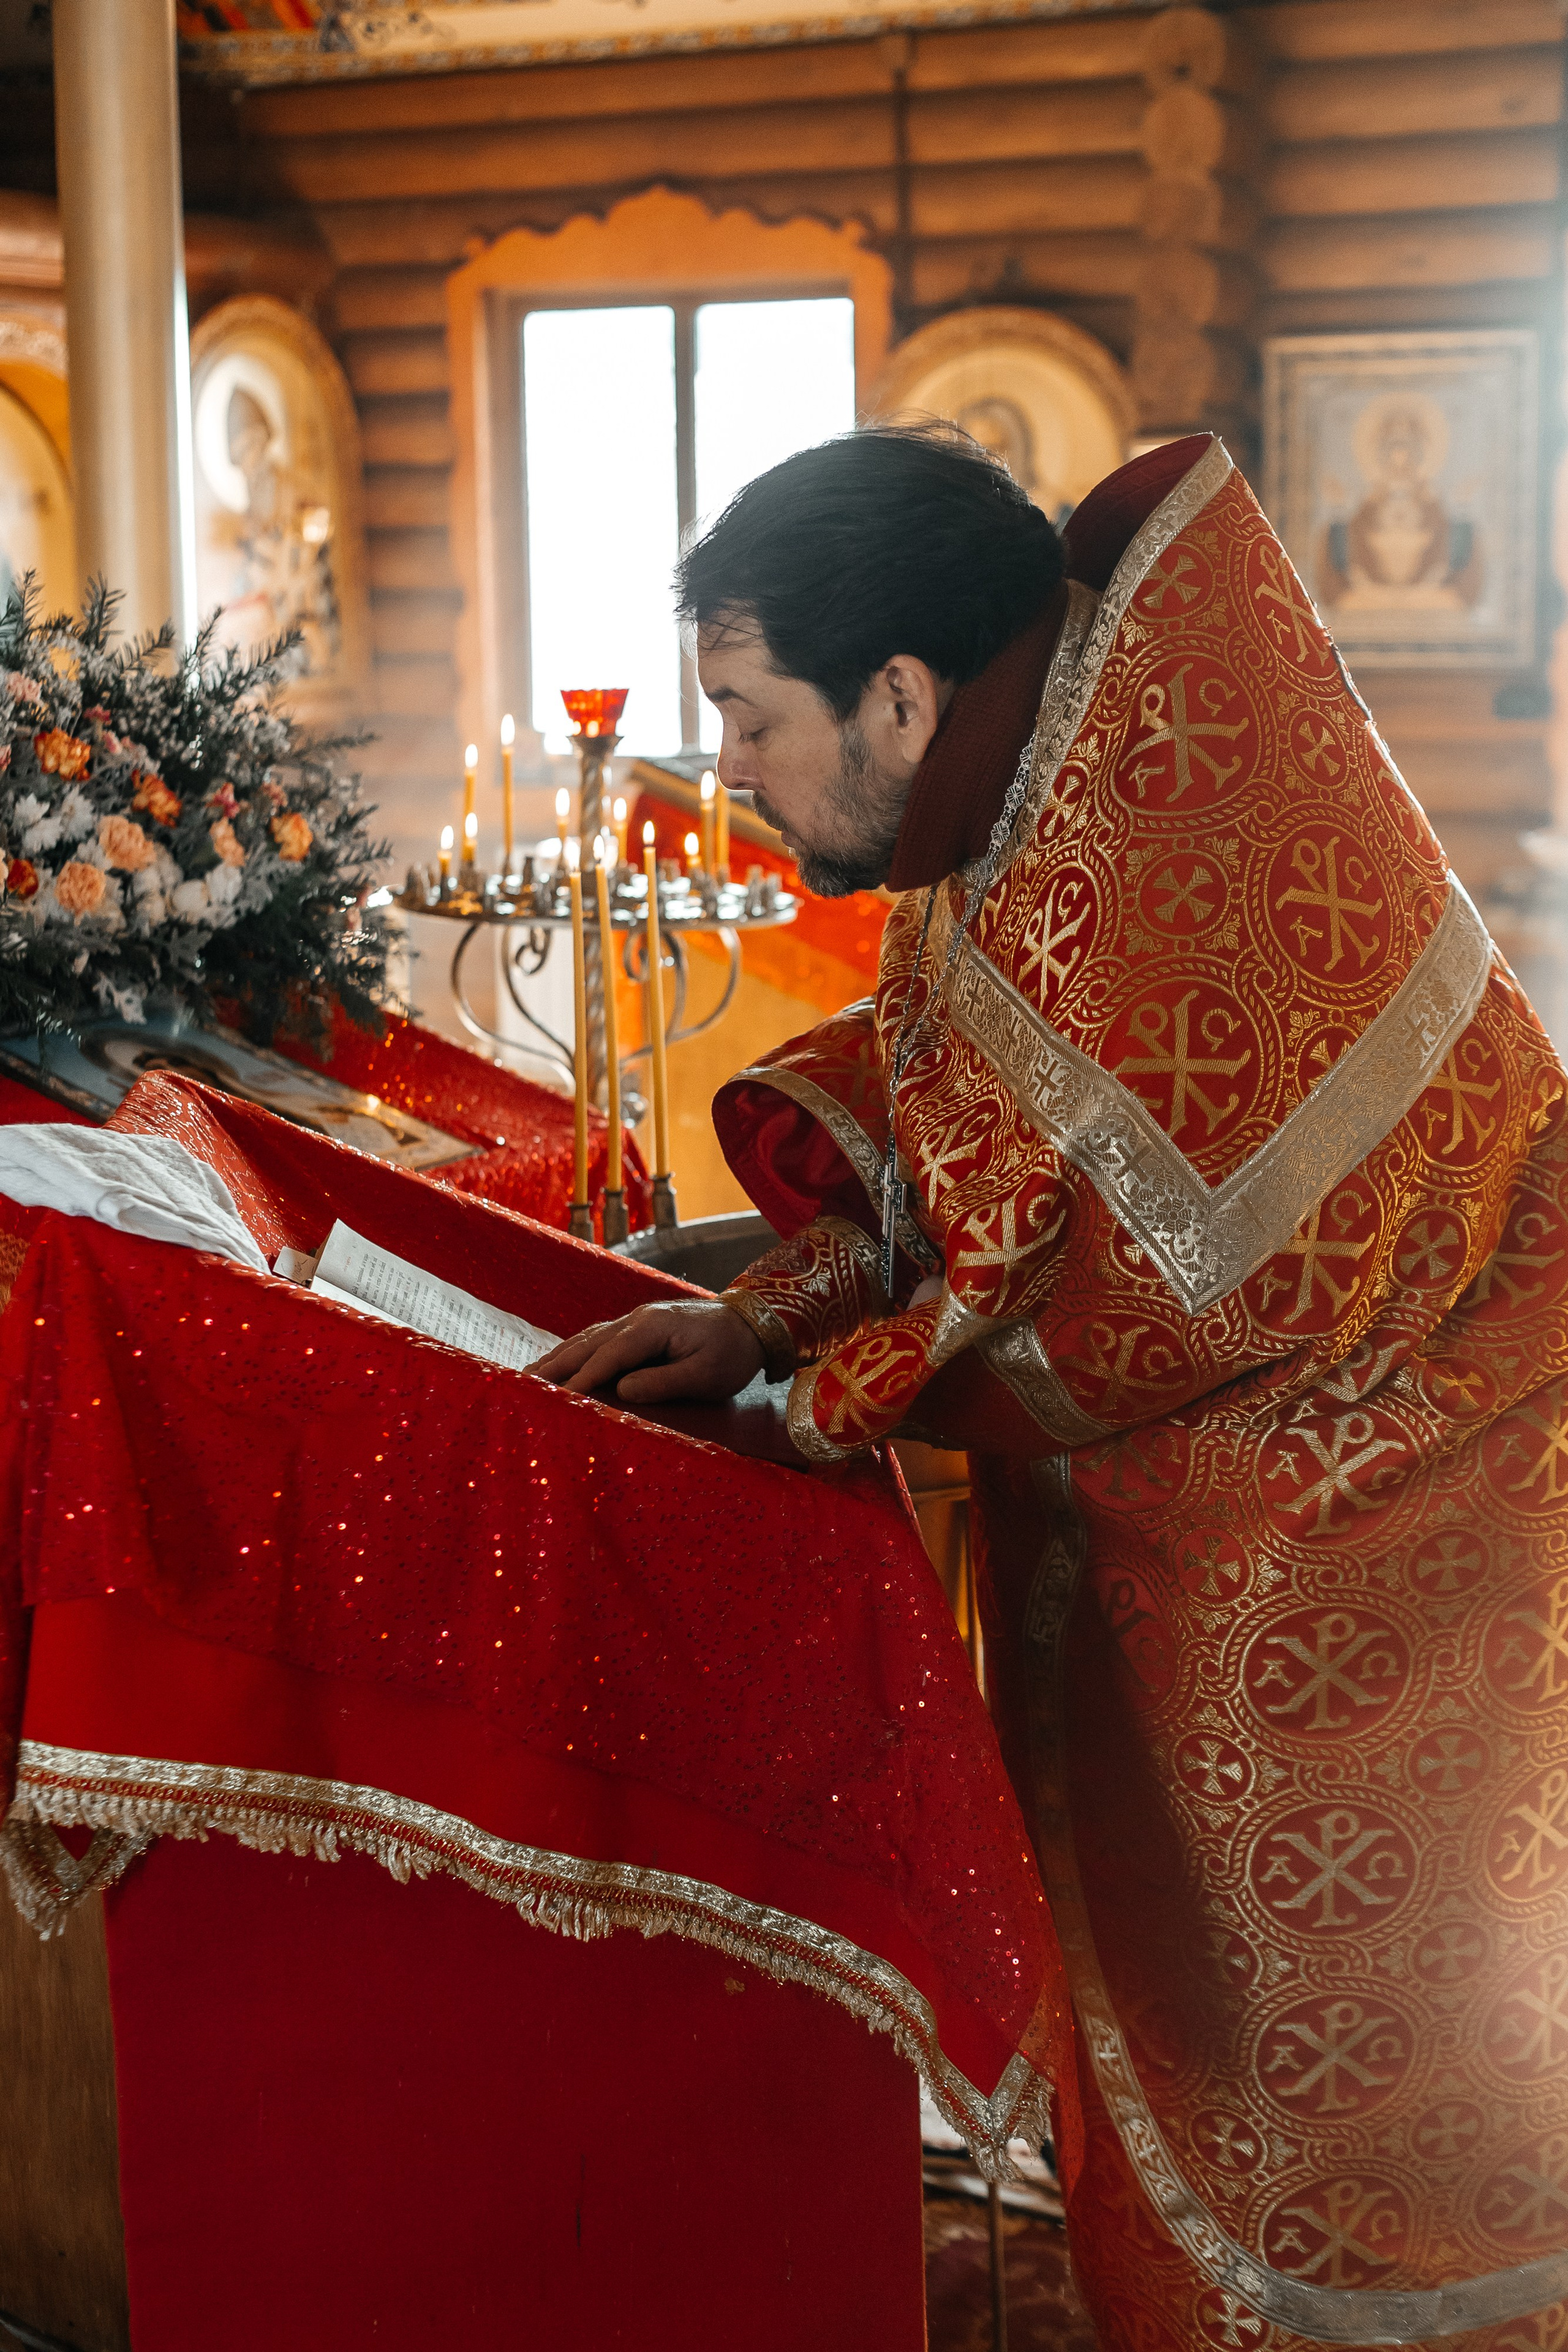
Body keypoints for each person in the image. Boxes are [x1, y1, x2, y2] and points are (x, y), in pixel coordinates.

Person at [537, 424, 1568, 2350]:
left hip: (1385, 1524)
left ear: (903, 696)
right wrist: (769, 1319)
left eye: (752, 723)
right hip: (1236, 1508)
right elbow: (983, 1151)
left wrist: (814, 1387)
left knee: (1336, 2102)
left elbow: (1146, 1286)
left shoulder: (1160, 832)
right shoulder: (1027, 777)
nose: (731, 779)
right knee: (1187, 2059)